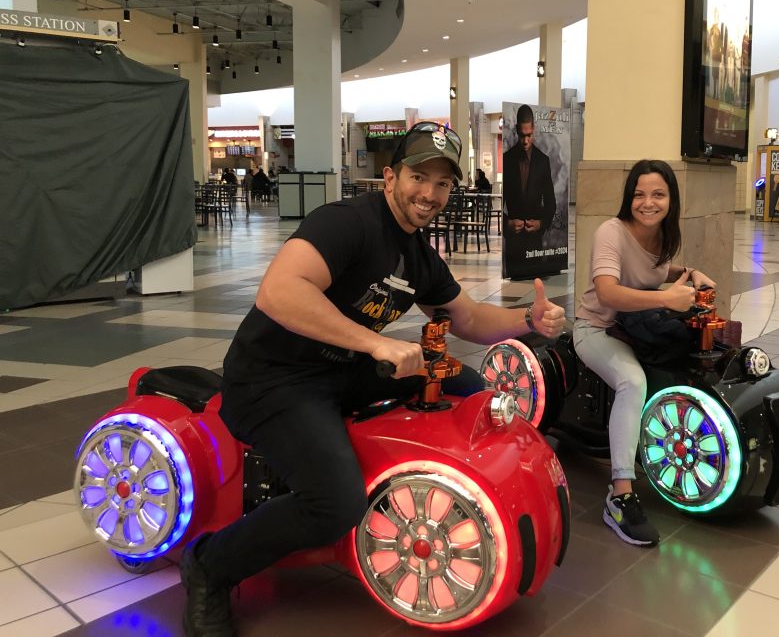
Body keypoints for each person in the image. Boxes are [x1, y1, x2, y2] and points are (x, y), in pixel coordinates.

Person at [179, 121, 566, 635]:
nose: (428, 193)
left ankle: (460, 495)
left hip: (340, 372)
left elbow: (469, 318)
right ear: (390, 177)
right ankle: (210, 565)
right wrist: (376, 343)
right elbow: (278, 291)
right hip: (272, 380)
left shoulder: (419, 255)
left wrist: (528, 322)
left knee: (464, 383)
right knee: (334, 502)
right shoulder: (347, 223)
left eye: (442, 183)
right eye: (418, 177)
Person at [572, 159, 715, 547]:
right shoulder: (611, 232)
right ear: (628, 198)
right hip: (597, 329)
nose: (647, 203)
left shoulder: (662, 236)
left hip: (639, 331)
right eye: (639, 195)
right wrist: (664, 298)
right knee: (632, 382)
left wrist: (690, 271)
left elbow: (654, 269)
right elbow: (608, 292)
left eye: (658, 194)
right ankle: (620, 496)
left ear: (671, 200)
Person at [503, 104, 556, 264]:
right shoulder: (507, 159)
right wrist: (508, 224)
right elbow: (499, 203)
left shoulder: (543, 161)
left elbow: (551, 202)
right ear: (516, 130)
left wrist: (541, 224)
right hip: (513, 240)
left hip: (534, 240)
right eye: (521, 135)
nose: (525, 141)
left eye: (529, 135)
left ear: (534, 129)